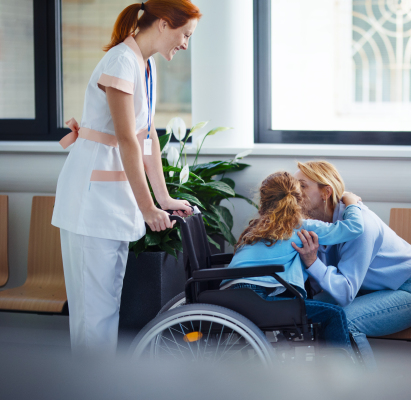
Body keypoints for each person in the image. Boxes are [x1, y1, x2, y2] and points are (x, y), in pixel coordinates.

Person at [51, 0, 201, 356]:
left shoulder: (143, 64)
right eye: (185, 34)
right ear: (164, 24)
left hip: (110, 203)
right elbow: (125, 140)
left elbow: (147, 139)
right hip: (91, 203)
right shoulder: (122, 61)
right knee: (94, 320)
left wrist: (163, 199)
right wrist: (147, 207)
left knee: (104, 314)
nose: (185, 44)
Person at [291, 161, 411, 369]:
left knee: (343, 321)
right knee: (304, 311)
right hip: (364, 290)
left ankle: (365, 390)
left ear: (326, 192)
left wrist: (312, 262)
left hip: (409, 291)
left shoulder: (361, 226)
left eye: (302, 186)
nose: (295, 193)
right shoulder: (315, 223)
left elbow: (345, 292)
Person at [221, 171, 365, 355]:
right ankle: (341, 372)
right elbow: (354, 228)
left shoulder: (257, 227)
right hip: (259, 299)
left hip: (231, 293)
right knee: (334, 313)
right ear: (299, 200)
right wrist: (352, 202)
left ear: (263, 203)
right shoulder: (301, 227)